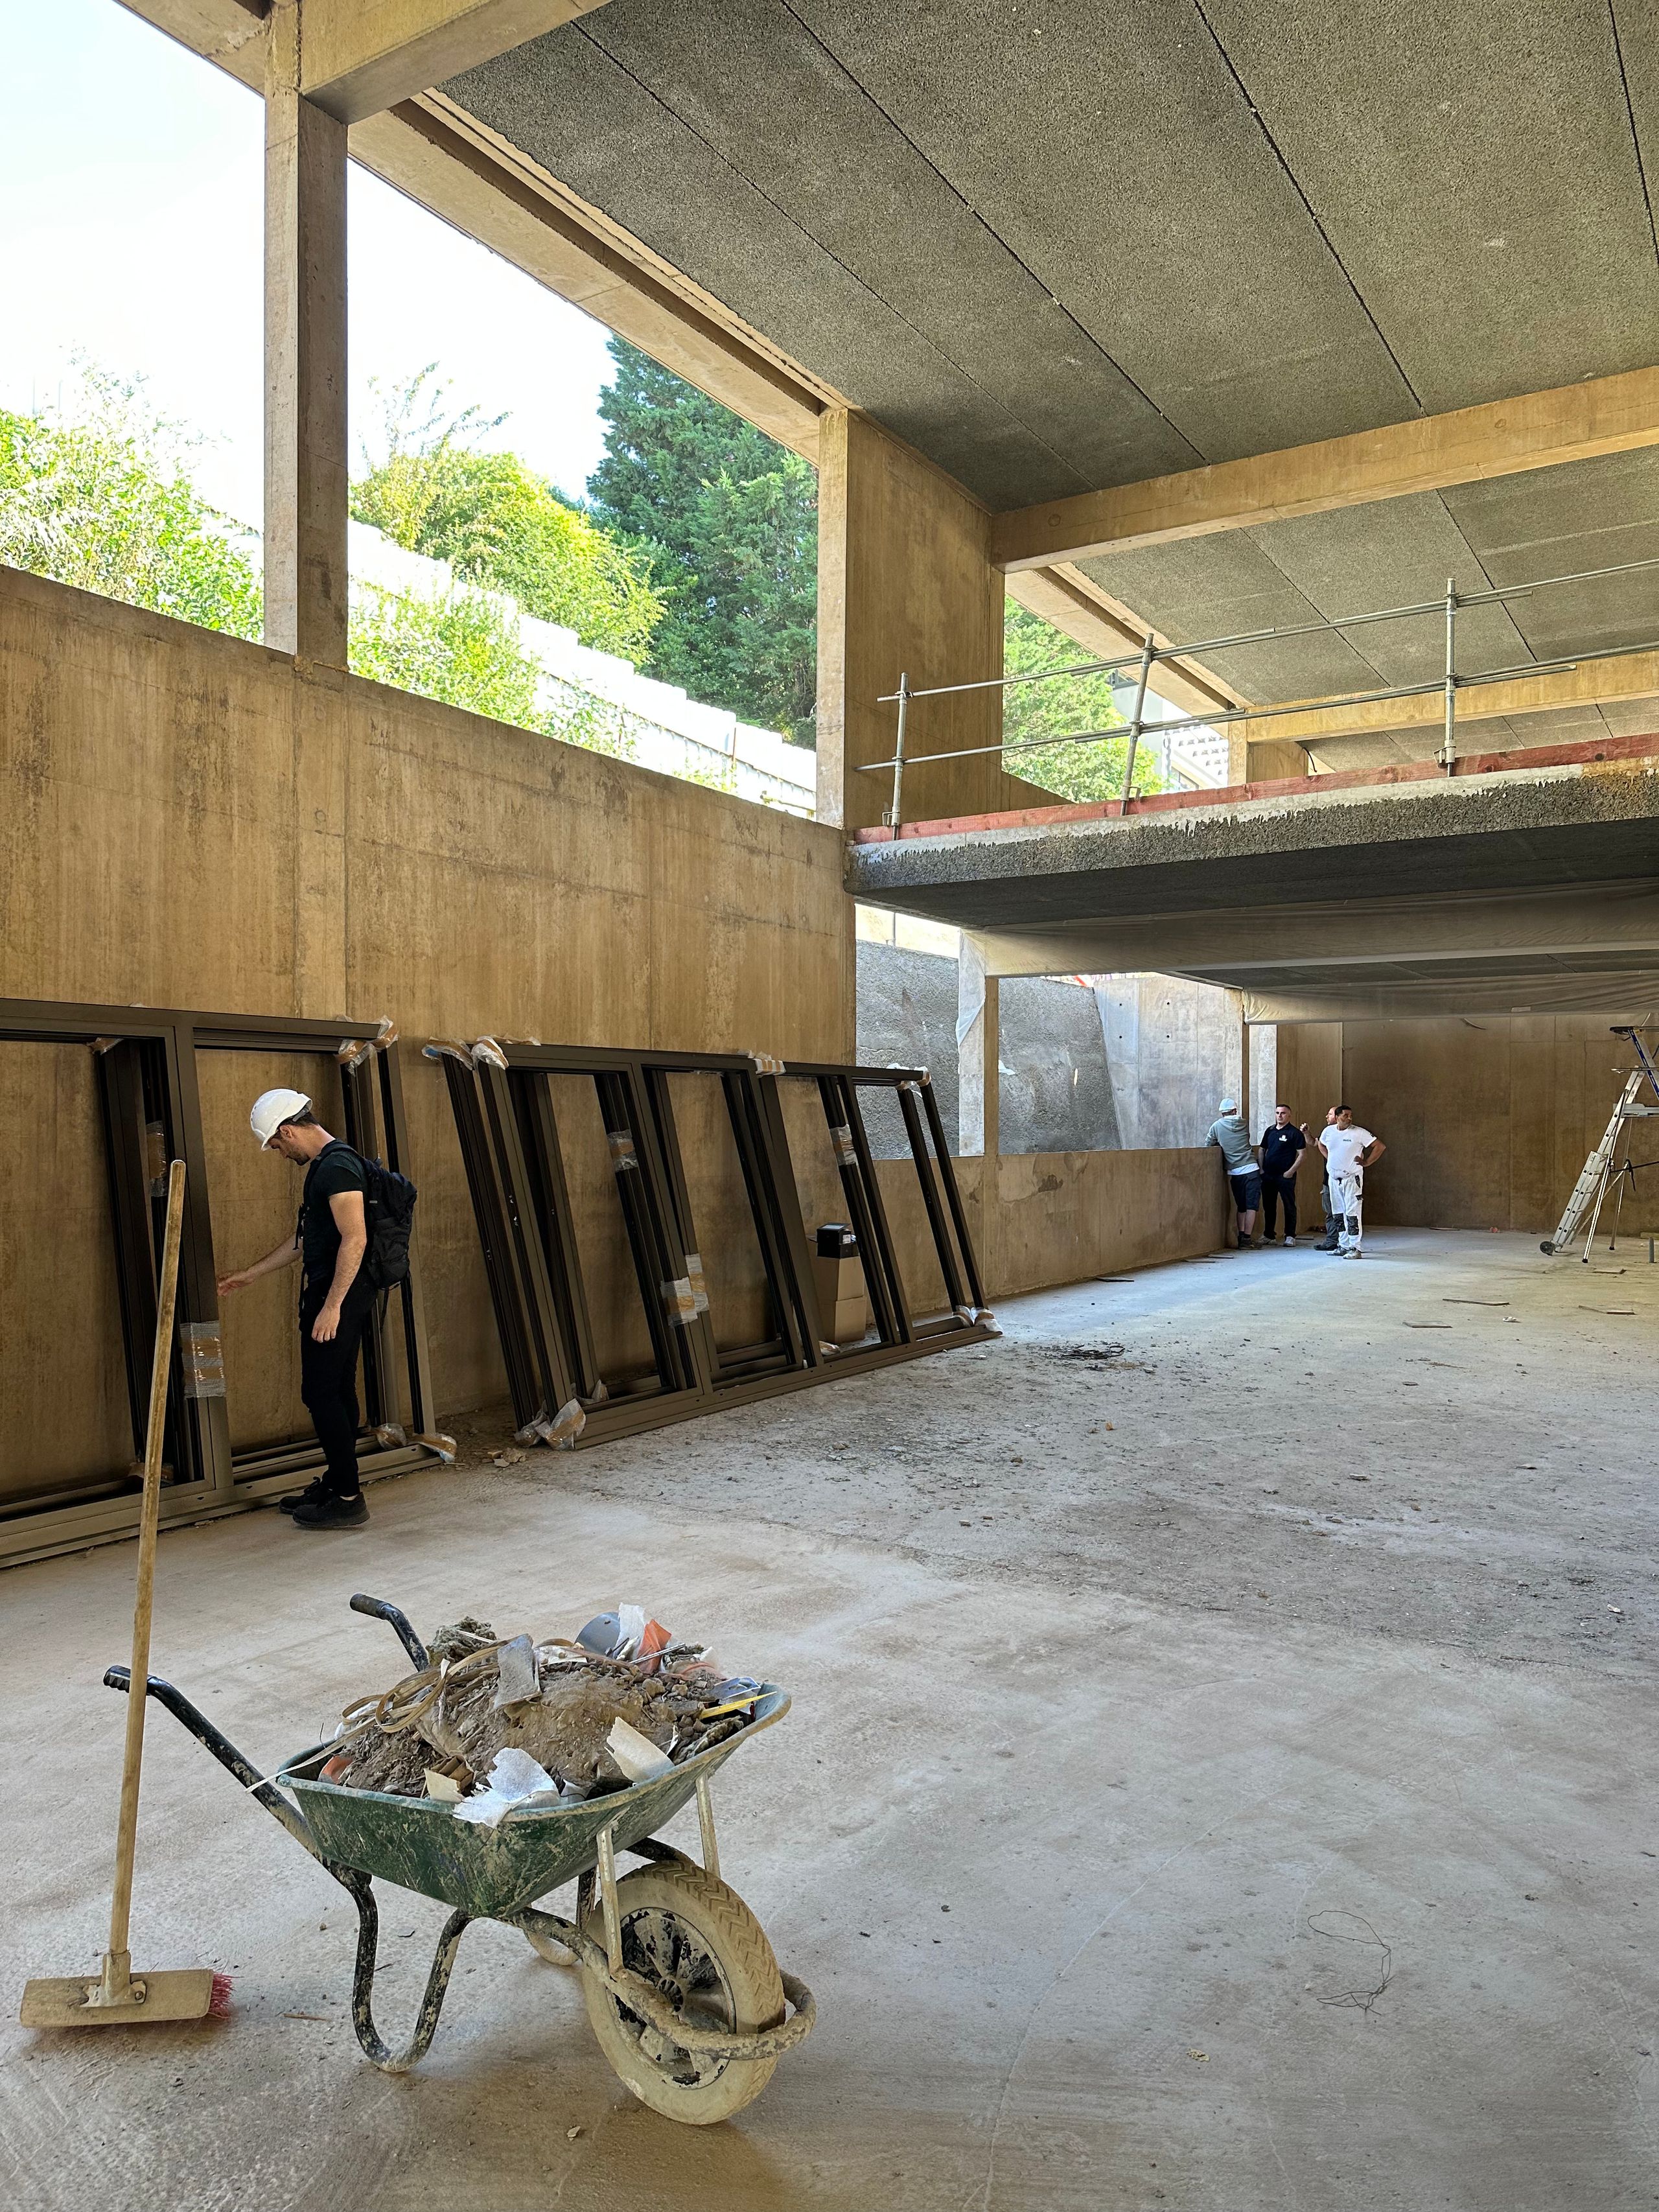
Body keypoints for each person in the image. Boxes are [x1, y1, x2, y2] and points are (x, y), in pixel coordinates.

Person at [216, 1088, 375, 1528]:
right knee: (337, 1390)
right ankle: (340, 1480)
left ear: (288, 1130)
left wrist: (332, 1306)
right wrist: (252, 1272)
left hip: (339, 1295)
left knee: (321, 1392)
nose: (277, 1151)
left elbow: (355, 1237)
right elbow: (308, 1239)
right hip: (337, 1292)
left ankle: (347, 1498)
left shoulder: (337, 1166)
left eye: (275, 1143)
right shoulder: (327, 1166)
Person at [1317, 1105, 1386, 1257]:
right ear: (1336, 1117)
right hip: (1334, 1180)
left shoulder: (1359, 1133)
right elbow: (1321, 1144)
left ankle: (1355, 1247)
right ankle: (1343, 1245)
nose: (1349, 1118)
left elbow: (1379, 1146)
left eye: (1351, 1116)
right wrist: (1331, 1160)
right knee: (1338, 1213)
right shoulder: (1328, 1131)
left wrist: (1366, 1162)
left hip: (1351, 1179)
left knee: (1352, 1212)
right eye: (1345, 1115)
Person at [1206, 1095, 1261, 1248]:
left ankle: (1240, 1236)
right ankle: (1247, 1239)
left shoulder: (1216, 1126)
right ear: (1235, 1110)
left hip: (1234, 1171)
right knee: (1252, 1206)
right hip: (1251, 1168)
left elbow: (1208, 1143)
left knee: (1241, 1206)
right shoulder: (1243, 1123)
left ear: (1222, 1113)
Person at [1259, 1103, 1309, 1244]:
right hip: (1268, 1175)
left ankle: (1290, 1236)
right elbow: (1262, 1150)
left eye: (1283, 1113)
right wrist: (1262, 1169)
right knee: (1268, 1206)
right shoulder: (1270, 1131)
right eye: (1277, 1113)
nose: (1280, 1116)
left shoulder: (1295, 1133)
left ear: (1289, 1115)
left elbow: (1302, 1155)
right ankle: (1269, 1235)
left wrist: (1290, 1172)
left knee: (1289, 1205)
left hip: (1286, 1176)